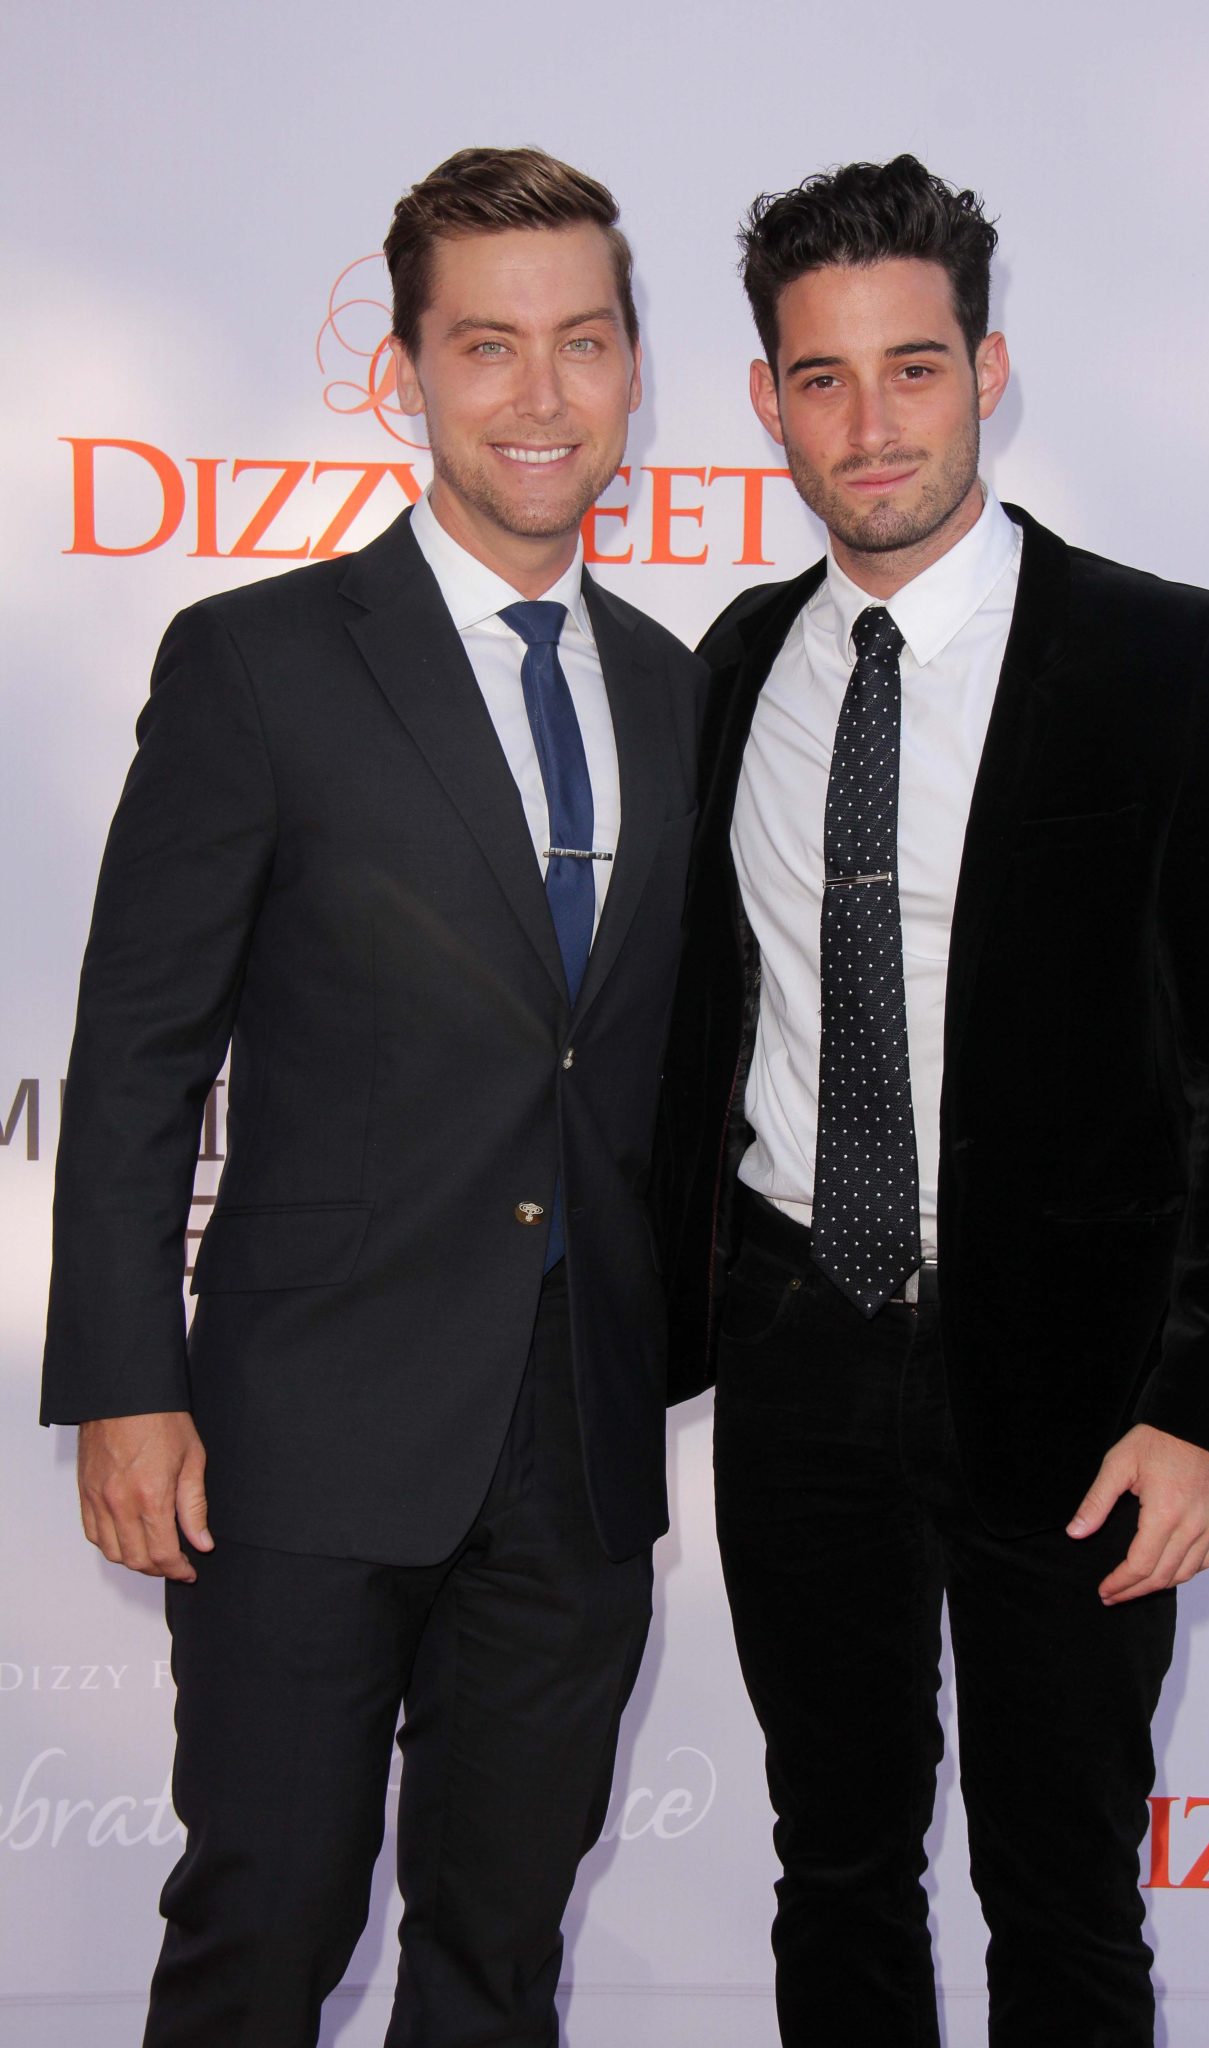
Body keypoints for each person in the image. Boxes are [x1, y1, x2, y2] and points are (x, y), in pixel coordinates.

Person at [654, 153, 1209, 2047]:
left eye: (913, 369)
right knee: (836, 1869)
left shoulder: (1166, 656)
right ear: (770, 400)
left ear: (990, 369)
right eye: (820, 378)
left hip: (1081, 1387)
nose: (870, 427)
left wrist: (1205, 1407)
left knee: (1062, 1892)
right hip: (799, 1344)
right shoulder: (728, 672)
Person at [41, 145, 705, 2047]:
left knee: (497, 1959)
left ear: (631, 367)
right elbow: (143, 1045)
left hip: (572, 1450)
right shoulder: (256, 662)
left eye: (581, 343)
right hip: (300, 1433)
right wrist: (124, 1379)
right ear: (405, 366)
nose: (539, 395)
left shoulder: (673, 687)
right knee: (261, 1937)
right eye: (487, 345)